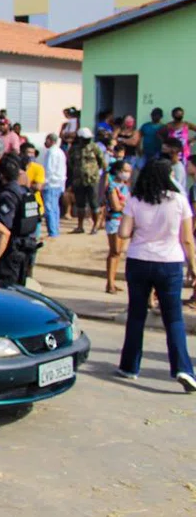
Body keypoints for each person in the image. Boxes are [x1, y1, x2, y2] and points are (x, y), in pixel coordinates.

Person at [116, 159, 196, 393]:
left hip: (139, 260)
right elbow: (188, 239)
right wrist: (193, 267)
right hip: (169, 263)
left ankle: (130, 366)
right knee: (174, 319)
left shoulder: (135, 199)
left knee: (137, 315)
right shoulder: (179, 201)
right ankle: (182, 368)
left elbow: (123, 232)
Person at [0, 155, 41, 286]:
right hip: (26, 247)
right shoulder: (25, 192)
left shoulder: (8, 195)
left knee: (8, 289)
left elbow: (4, 226)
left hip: (13, 251)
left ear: (1, 175)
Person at [69, 128, 105, 235]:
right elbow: (70, 163)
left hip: (92, 180)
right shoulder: (74, 149)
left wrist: (92, 171)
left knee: (94, 203)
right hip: (78, 180)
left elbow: (101, 162)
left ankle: (95, 226)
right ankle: (80, 226)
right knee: (80, 204)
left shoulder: (94, 148)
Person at [105, 160, 131, 295]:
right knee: (114, 251)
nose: (128, 173)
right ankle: (110, 283)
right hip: (114, 220)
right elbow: (115, 206)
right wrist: (126, 207)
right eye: (125, 170)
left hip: (122, 219)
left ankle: (112, 281)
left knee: (118, 252)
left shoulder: (125, 186)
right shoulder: (112, 187)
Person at [41, 134, 67, 239]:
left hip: (51, 183)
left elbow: (49, 169)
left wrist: (44, 182)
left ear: (51, 140)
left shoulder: (51, 152)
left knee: (50, 208)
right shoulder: (60, 152)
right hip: (59, 183)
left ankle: (52, 232)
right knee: (55, 208)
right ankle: (55, 229)